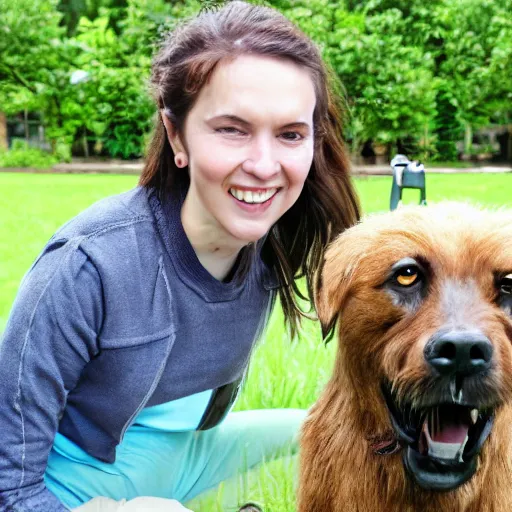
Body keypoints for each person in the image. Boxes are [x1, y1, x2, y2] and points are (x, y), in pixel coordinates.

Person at [0, 1, 360, 511]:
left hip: (183, 455)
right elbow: (7, 487)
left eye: (290, 134)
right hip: (74, 484)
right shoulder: (89, 265)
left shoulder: (272, 243)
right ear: (176, 135)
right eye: (232, 129)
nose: (263, 165)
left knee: (352, 430)